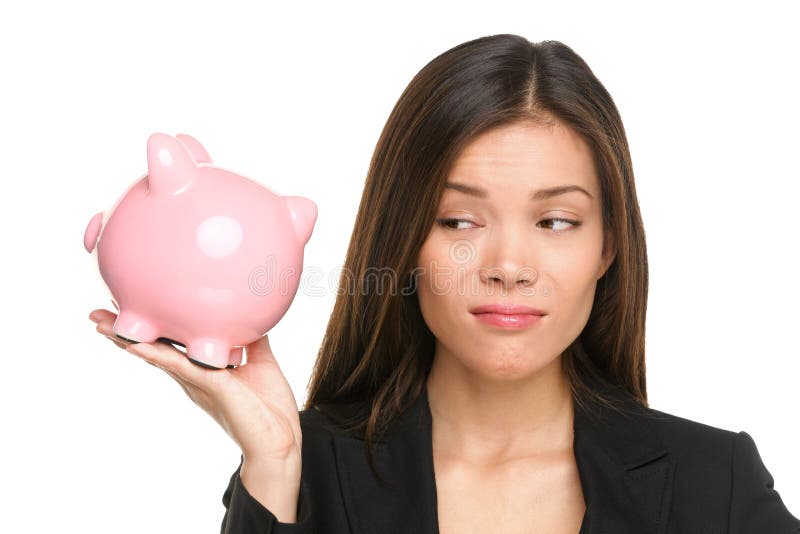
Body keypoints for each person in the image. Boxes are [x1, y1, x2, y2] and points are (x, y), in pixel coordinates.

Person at [89, 34, 800, 533]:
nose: (508, 265)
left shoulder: (714, 481)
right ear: (404, 244)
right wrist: (275, 464)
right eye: (459, 222)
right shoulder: (308, 475)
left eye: (556, 222)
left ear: (609, 246)